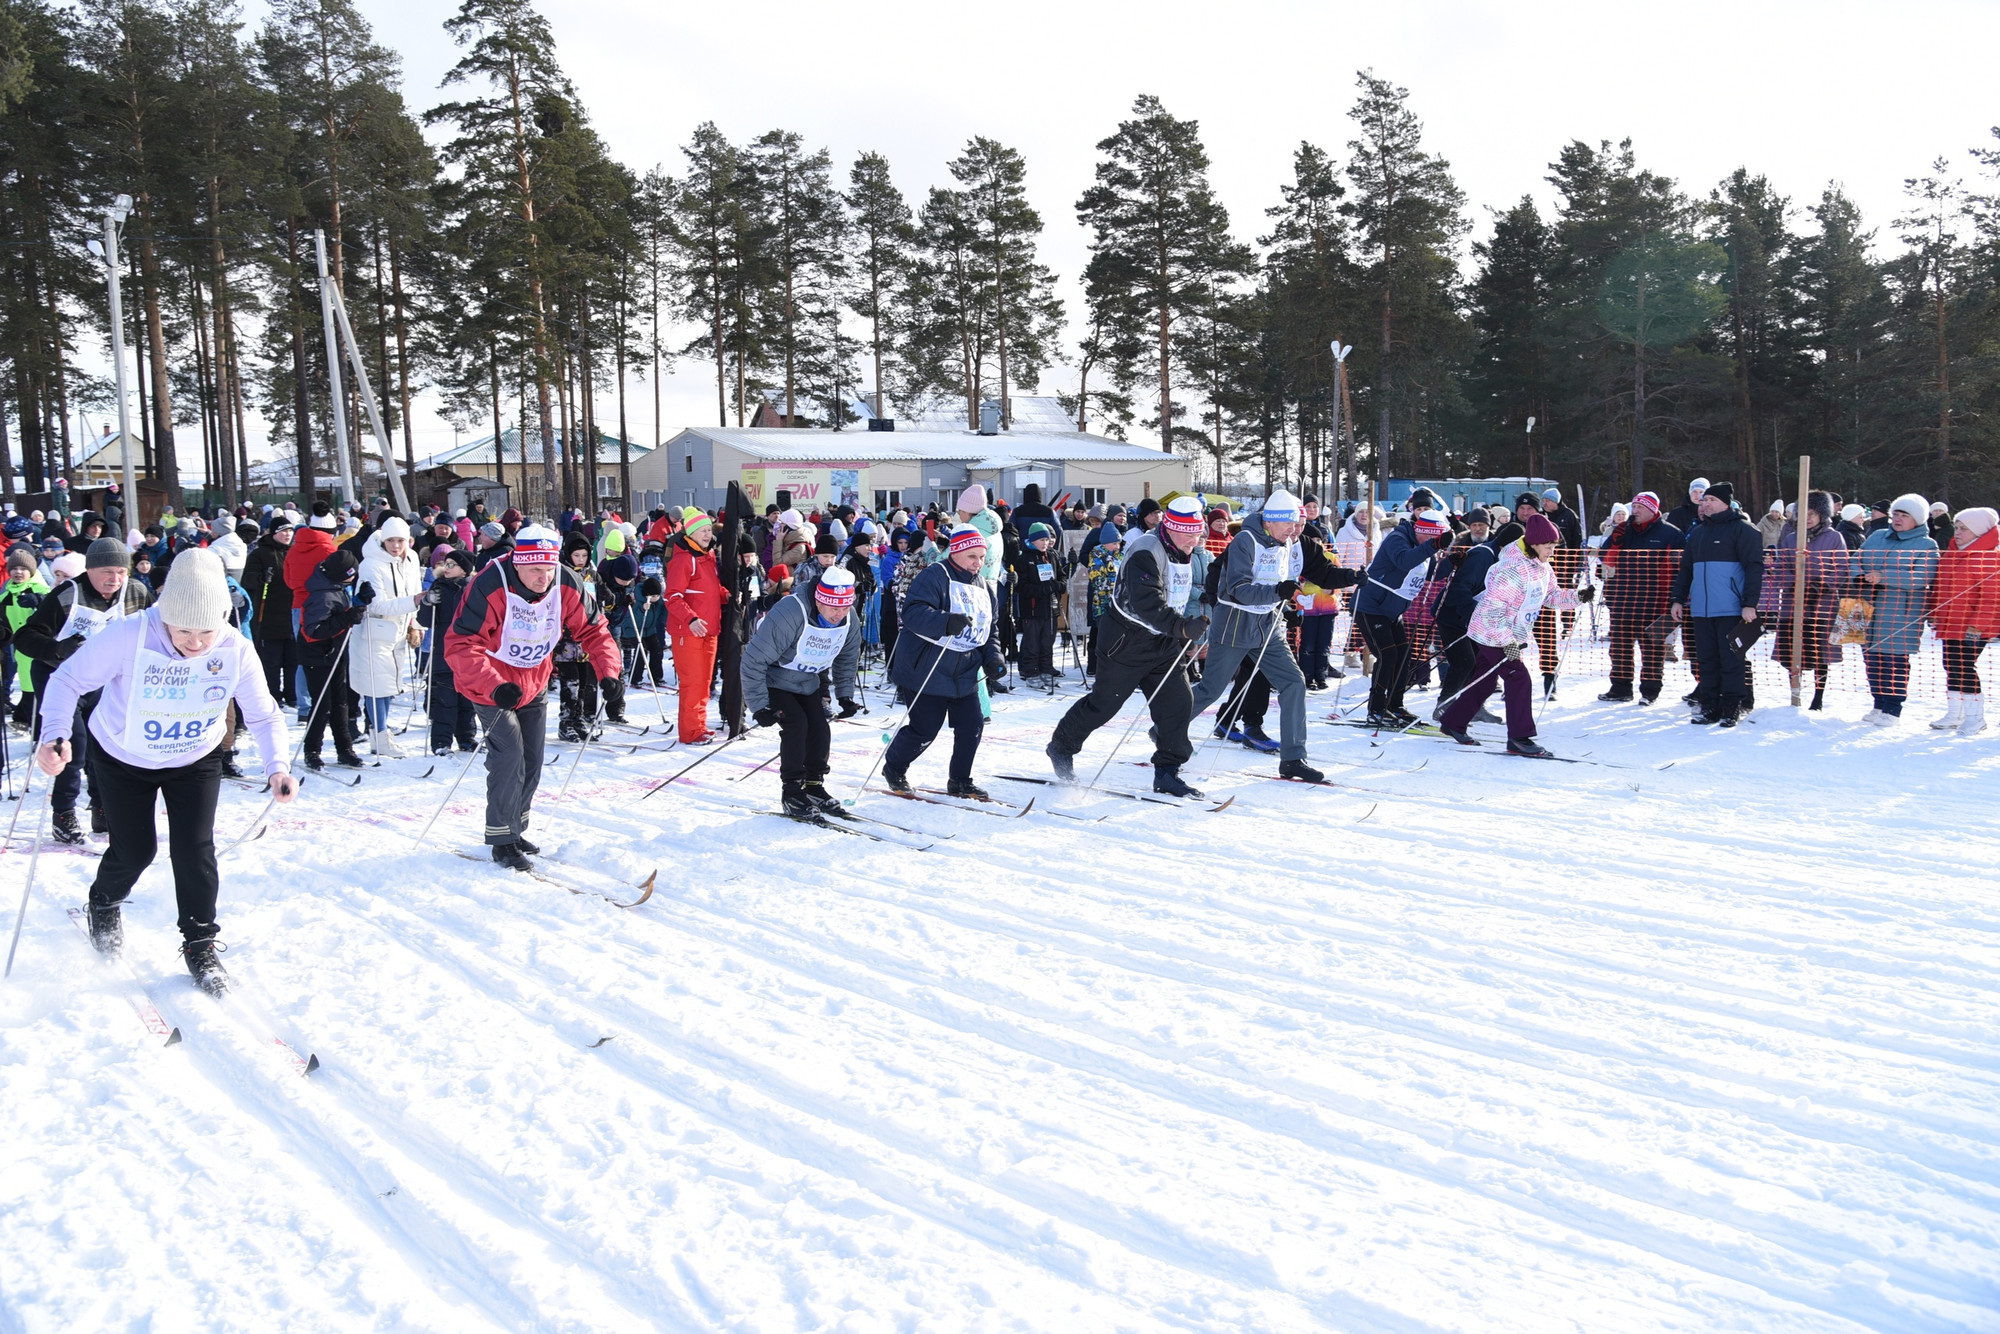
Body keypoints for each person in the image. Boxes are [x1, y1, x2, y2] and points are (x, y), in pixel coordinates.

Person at [35, 548, 297, 993]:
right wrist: (54, 734)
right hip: (122, 756)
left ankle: (200, 943)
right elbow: (66, 680)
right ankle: (103, 902)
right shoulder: (128, 635)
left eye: (206, 632)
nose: (195, 643)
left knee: (195, 850)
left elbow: (264, 713)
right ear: (164, 617)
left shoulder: (236, 648)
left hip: (194, 757)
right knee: (135, 850)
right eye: (183, 631)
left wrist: (277, 768)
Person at [444, 524, 620, 870]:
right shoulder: (490, 584)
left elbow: (594, 629)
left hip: (533, 680)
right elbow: (461, 644)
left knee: (532, 759)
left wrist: (608, 673)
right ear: (517, 563)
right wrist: (495, 685)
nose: (544, 578)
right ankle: (501, 838)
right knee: (508, 755)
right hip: (490, 684)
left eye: (549, 568)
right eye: (535, 570)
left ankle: (516, 827)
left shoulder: (565, 582)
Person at [1045, 495, 1211, 795]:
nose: (1195, 540)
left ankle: (1168, 771)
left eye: (1199, 533)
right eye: (1190, 534)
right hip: (1126, 640)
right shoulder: (1145, 551)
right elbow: (1145, 601)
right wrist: (1183, 627)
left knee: (1178, 702)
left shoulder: (1185, 548)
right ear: (1172, 528)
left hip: (1163, 641)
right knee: (1105, 705)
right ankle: (1061, 746)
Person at [1189, 490, 1356, 782]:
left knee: (1294, 683)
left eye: (1297, 524)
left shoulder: (1289, 542)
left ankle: (1293, 758)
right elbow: (1239, 588)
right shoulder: (1245, 540)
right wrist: (1276, 593)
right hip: (1234, 625)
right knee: (1211, 690)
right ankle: (1166, 728)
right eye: (1290, 524)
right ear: (1271, 521)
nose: (1295, 530)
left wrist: (1348, 577)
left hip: (1269, 626)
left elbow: (1300, 577)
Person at [16, 536, 152, 842]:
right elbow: (24, 637)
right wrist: (57, 648)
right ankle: (63, 813)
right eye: (106, 571)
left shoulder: (136, 592)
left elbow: (156, 626)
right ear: (89, 569)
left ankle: (102, 806)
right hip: (59, 677)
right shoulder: (68, 594)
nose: (114, 579)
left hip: (103, 680)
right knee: (71, 745)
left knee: (103, 744)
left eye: (120, 571)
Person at [1438, 514, 1583, 757]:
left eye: (1554, 547)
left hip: (1508, 632)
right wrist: (1508, 643)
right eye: (1549, 547)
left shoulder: (1542, 567)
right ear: (1535, 543)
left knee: (1485, 679)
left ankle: (1453, 721)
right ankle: (1519, 737)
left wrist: (1578, 597)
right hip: (1491, 630)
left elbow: (1551, 596)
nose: (1552, 552)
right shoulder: (1511, 569)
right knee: (1519, 678)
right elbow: (1493, 611)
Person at [880, 523, 1004, 798]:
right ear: (956, 553)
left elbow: (990, 628)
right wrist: (945, 621)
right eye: (973, 557)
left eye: (982, 558)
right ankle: (895, 767)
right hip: (926, 668)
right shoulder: (935, 576)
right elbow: (912, 613)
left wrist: (993, 657)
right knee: (925, 728)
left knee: (972, 725)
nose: (978, 563)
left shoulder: (983, 586)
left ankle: (960, 780)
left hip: (963, 672)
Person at [742, 565, 863, 818]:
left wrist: (845, 695)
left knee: (820, 727)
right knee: (797, 724)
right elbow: (753, 660)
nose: (838, 614)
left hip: (807, 681)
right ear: (819, 600)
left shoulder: (849, 617)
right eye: (833, 607)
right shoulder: (790, 612)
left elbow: (847, 657)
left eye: (844, 607)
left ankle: (813, 786)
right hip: (774, 679)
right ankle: (792, 791)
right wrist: (759, 706)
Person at [1669, 481, 1764, 726]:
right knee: (1706, 659)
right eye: (1703, 500)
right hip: (1701, 609)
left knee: (1731, 660)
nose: (1704, 504)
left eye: (1710, 500)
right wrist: (1677, 599)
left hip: (1732, 608)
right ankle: (1709, 706)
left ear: (1725, 502)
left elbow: (1754, 569)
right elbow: (1686, 569)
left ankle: (1731, 707)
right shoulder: (1698, 533)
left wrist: (1749, 603)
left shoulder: (1745, 530)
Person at [1355, 505, 1453, 726]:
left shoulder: (1422, 546)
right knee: (1387, 655)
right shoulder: (1398, 538)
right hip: (1371, 606)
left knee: (1403, 656)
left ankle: (1395, 705)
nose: (1436, 546)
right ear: (1425, 534)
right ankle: (1376, 709)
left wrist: (1451, 563)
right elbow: (1404, 561)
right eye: (1435, 540)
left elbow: (1431, 573)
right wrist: (1433, 545)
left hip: (1392, 610)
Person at [1854, 494, 1939, 725]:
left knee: (1894, 661)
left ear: (1918, 520)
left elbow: (1922, 577)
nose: (1898, 519)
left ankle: (1893, 710)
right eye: (1896, 514)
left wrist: (1884, 577)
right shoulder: (1878, 536)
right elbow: (1856, 558)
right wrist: (1859, 576)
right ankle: (1878, 704)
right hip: (1865, 607)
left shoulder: (1927, 545)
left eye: (1904, 515)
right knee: (1871, 658)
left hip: (1900, 613)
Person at [1596, 491, 1684, 704]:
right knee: (1619, 648)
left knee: (1653, 650)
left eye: (1640, 508)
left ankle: (1650, 691)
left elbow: (1681, 568)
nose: (1634, 511)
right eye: (1633, 507)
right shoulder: (1623, 530)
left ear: (1652, 510)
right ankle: (1620, 688)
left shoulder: (1671, 534)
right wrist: (1615, 541)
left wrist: (1676, 598)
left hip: (1656, 602)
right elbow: (1605, 559)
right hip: (1622, 599)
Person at [1434, 517, 1519, 723]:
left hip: (1473, 617)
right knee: (1464, 661)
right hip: (1453, 615)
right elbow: (1458, 590)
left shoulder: (1502, 559)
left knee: (1480, 663)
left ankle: (1473, 705)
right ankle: (1444, 706)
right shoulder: (1483, 555)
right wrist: (1476, 616)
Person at [351, 516, 423, 757]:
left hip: (399, 631)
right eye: (390, 540)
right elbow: (378, 604)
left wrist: (414, 622)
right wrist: (413, 603)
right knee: (375, 686)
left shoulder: (411, 559)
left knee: (390, 685)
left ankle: (381, 734)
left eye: (400, 540)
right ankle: (379, 735)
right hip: (375, 631)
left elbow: (413, 590)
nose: (395, 546)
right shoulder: (371, 564)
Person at [1769, 491, 1847, 712]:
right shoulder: (1791, 538)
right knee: (1791, 648)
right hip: (1793, 603)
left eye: (1813, 513)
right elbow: (1780, 567)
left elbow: (1841, 568)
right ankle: (1795, 690)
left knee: (1819, 650)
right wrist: (1793, 583)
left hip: (1822, 604)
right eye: (1804, 513)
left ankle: (1818, 695)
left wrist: (1821, 585)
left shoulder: (1834, 537)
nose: (1808, 518)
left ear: (1822, 514)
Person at [1933, 507, 2000, 734]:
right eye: (1957, 527)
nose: (1957, 532)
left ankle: (1975, 717)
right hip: (1950, 621)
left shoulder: (1989, 556)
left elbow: (1991, 597)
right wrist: (1936, 613)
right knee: (1951, 665)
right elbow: (1941, 589)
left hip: (1972, 626)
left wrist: (1978, 625)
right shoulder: (1952, 553)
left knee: (1964, 666)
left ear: (1979, 532)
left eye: (1964, 529)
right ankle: (1955, 712)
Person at [664, 506, 727, 744]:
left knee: (704, 683)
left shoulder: (707, 557)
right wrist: (690, 618)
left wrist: (724, 594)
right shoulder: (684, 559)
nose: (707, 534)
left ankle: (699, 726)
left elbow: (707, 590)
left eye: (708, 530)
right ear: (689, 533)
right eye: (701, 530)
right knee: (693, 682)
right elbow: (672, 596)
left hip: (709, 629)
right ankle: (690, 731)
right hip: (688, 631)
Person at [417, 549, 479, 755]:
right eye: (446, 564)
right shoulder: (439, 587)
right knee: (445, 698)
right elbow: (425, 620)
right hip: (443, 651)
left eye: (452, 565)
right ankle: (441, 742)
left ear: (464, 570)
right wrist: (427, 603)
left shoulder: (474, 588)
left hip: (468, 651)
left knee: (467, 699)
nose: (447, 568)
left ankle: (467, 737)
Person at [241, 515, 298, 708]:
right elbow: (247, 579)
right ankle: (273, 695)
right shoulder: (260, 554)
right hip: (268, 616)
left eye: (290, 530)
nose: (287, 534)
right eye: (283, 531)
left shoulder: (295, 551)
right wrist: (261, 578)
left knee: (293, 660)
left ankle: (292, 695)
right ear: (274, 533)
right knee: (271, 662)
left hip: (291, 613)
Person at [4, 544, 51, 728]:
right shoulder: (7, 593)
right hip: (21, 650)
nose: (18, 572)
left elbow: (56, 610)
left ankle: (42, 732)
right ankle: (27, 723)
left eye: (23, 568)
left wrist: (39, 601)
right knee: (29, 690)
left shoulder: (41, 589)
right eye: (14, 568)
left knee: (43, 692)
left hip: (41, 649)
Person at [1010, 522, 1062, 685]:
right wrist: (1041, 589)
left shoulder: (1052, 555)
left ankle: (1046, 670)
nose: (1045, 543)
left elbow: (1062, 576)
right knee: (1032, 642)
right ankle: (1031, 672)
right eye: (1041, 540)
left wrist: (1058, 585)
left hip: (1050, 607)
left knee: (1048, 642)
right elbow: (1022, 586)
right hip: (1032, 609)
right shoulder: (1024, 558)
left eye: (1047, 539)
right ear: (1032, 541)